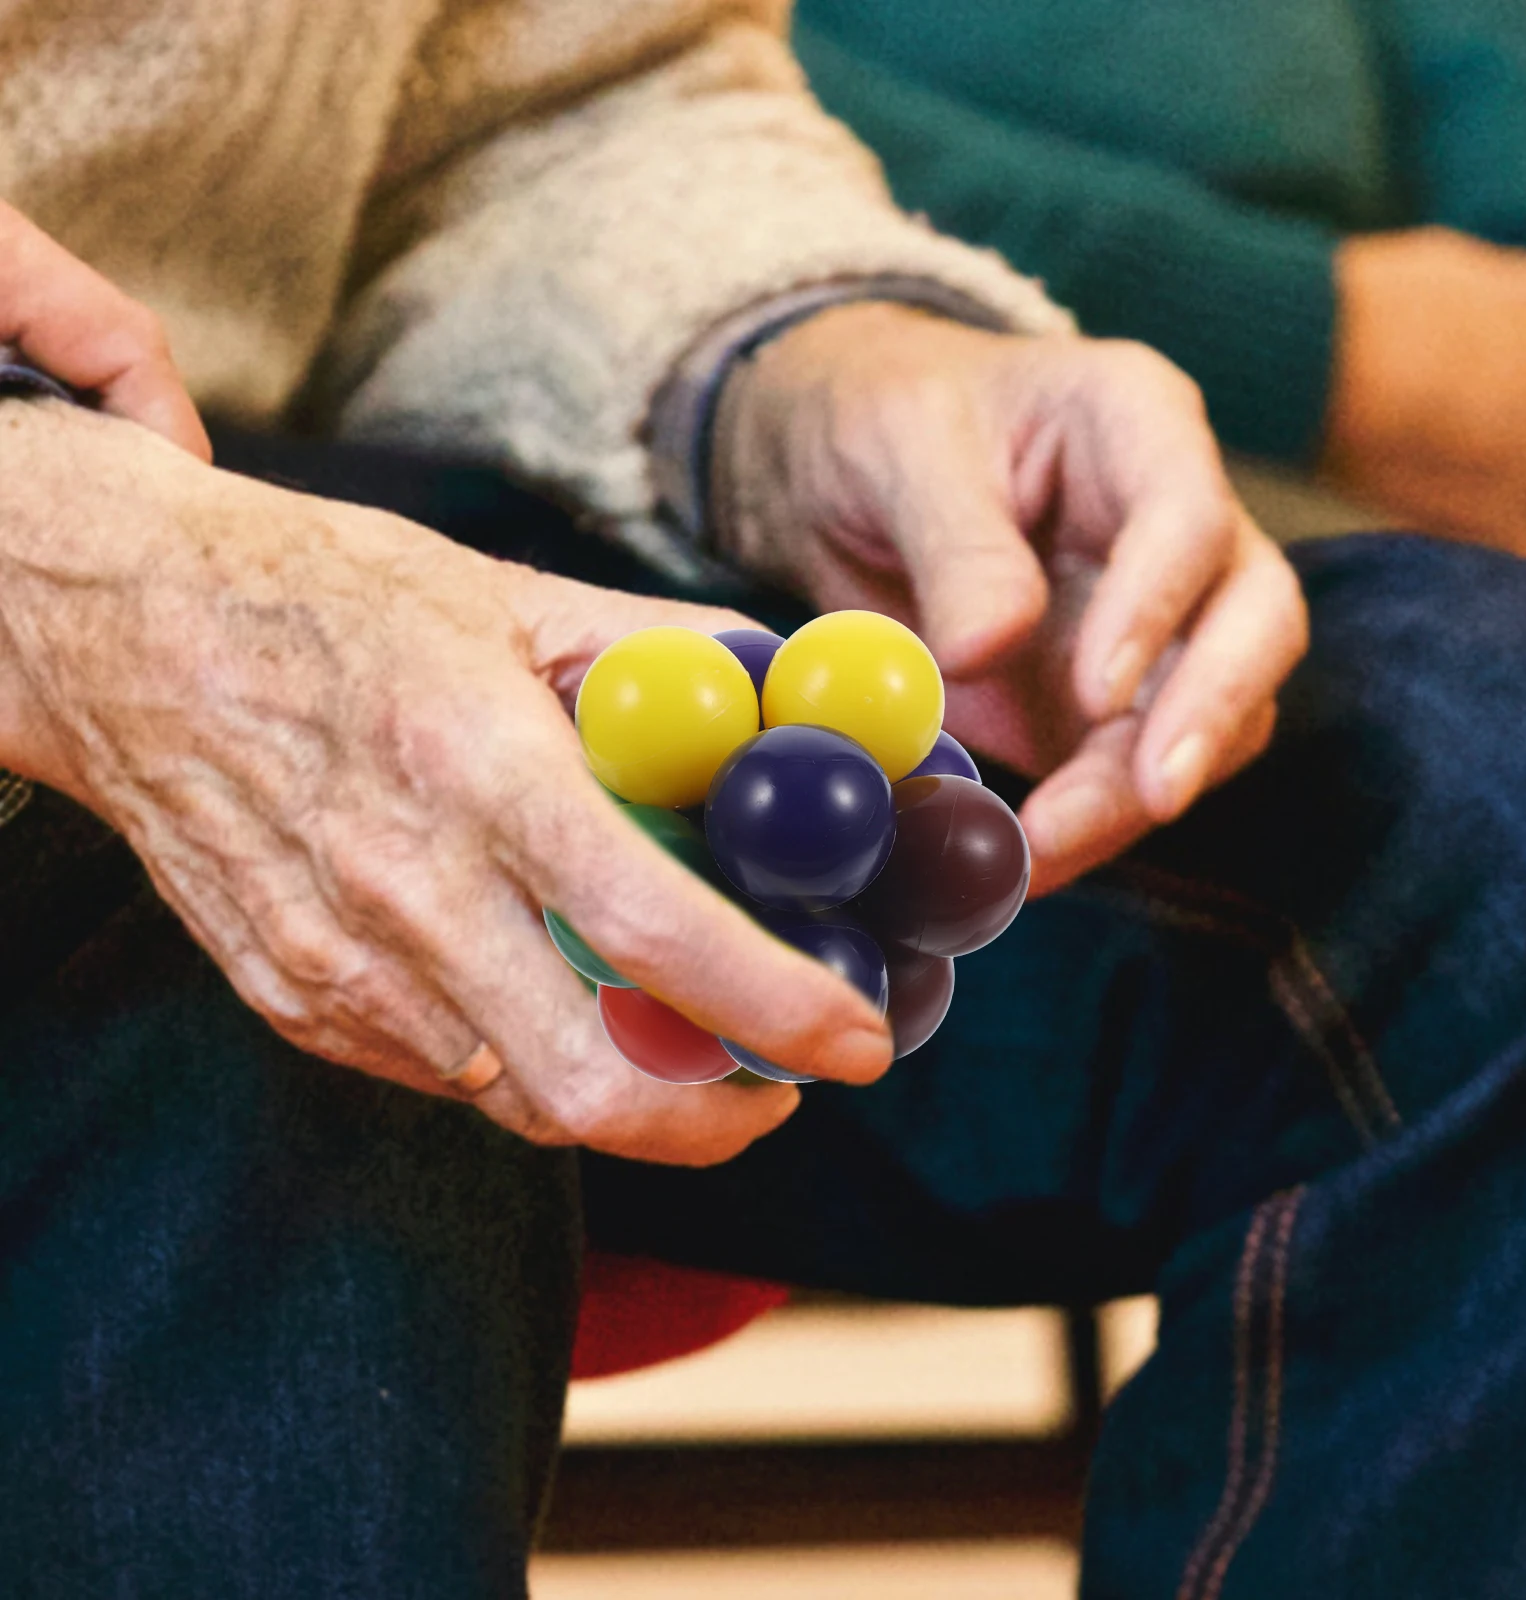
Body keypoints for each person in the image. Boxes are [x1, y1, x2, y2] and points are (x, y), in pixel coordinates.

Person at [0, 3, 1304, 1593]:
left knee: (1512, 822)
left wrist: (807, 358)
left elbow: (553, 100)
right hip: (125, 608)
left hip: (309, 509)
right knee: (304, 865)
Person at [792, 0, 1526, 575]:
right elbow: (746, 117)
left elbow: (1497, 67)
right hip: (1035, 413)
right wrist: (1325, 346)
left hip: (1494, 357)